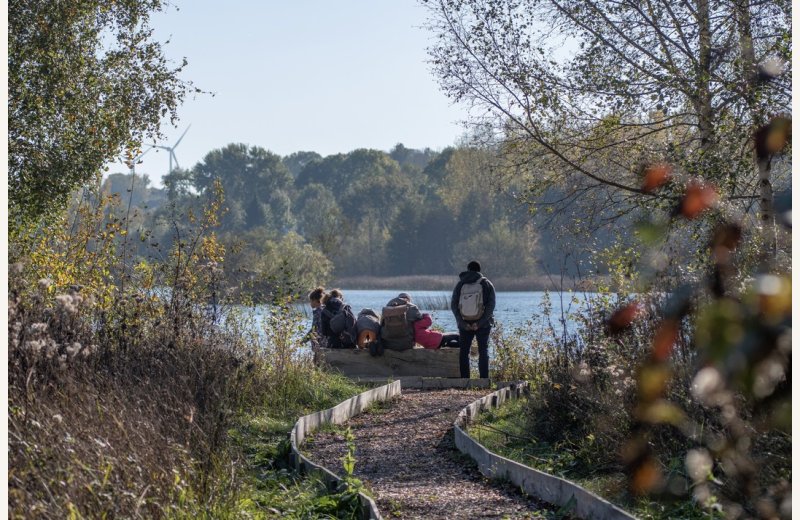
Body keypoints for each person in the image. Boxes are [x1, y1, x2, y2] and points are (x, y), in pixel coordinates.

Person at [451, 260, 496, 378]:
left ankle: (465, 380)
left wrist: (462, 323)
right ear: (479, 270)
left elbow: (454, 305)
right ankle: (484, 380)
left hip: (464, 323)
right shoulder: (486, 283)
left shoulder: (460, 284)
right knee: (483, 351)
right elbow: (491, 306)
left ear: (468, 269)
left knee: (464, 352)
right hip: (483, 325)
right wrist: (480, 323)